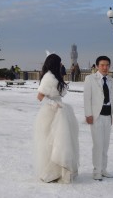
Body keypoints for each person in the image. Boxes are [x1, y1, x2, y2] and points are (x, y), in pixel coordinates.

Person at [34, 53, 79, 183]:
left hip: (61, 110)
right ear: (55, 64)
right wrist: (52, 102)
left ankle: (58, 172)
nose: (61, 64)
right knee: (54, 142)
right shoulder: (48, 77)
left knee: (61, 142)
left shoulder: (55, 76)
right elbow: (40, 96)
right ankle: (52, 172)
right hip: (52, 111)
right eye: (59, 62)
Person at [84, 56, 113, 181]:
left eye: (107, 65)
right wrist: (88, 114)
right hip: (96, 116)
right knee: (98, 145)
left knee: (105, 145)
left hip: (107, 116)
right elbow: (87, 98)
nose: (105, 67)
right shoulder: (90, 79)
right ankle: (96, 171)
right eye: (102, 65)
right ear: (97, 66)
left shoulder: (111, 81)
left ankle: (103, 169)